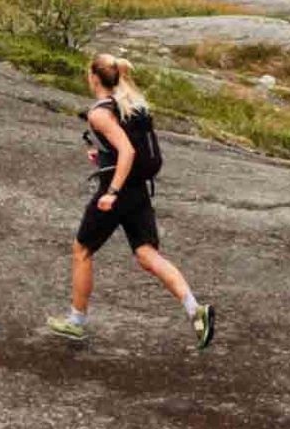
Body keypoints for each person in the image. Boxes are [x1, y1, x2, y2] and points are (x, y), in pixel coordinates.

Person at [65, 42, 209, 351]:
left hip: (118, 193)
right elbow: (123, 148)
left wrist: (111, 192)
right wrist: (103, 157)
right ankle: (195, 310)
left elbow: (128, 151)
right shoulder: (130, 102)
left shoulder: (100, 113)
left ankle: (76, 321)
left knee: (82, 250)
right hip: (139, 190)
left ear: (93, 77)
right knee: (146, 254)